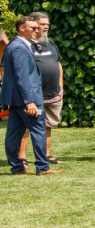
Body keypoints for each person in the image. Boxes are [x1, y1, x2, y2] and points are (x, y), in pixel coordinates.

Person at [2, 16, 55, 175]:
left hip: (17, 99)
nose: (36, 30)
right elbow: (22, 76)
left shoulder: (16, 45)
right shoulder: (18, 47)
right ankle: (43, 167)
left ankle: (17, 167)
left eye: (37, 28)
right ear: (21, 28)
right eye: (33, 28)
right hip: (26, 99)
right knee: (38, 130)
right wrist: (30, 101)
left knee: (13, 134)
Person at [25, 12, 63, 166]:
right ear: (33, 25)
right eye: (42, 24)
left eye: (47, 24)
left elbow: (58, 64)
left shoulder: (51, 43)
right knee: (26, 127)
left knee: (48, 125)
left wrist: (60, 88)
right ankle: (22, 159)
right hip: (34, 94)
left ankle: (46, 155)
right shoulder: (26, 45)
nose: (46, 27)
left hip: (53, 93)